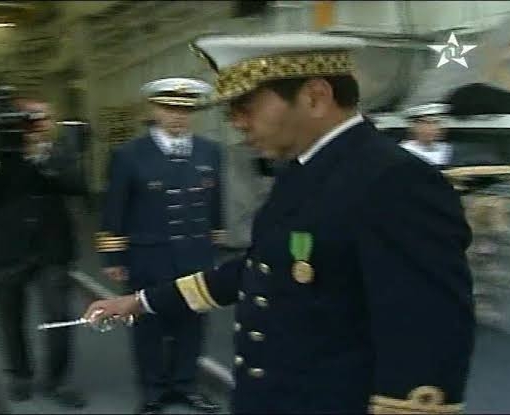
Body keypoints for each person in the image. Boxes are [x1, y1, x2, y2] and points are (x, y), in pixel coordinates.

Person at [85, 33, 476, 414]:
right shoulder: (304, 169)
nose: (236, 122)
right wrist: (141, 301)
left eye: (245, 106)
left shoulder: (396, 181)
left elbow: (428, 336)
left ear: (315, 97)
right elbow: (263, 268)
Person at [96, 77, 224, 414]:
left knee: (192, 323)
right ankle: (152, 390)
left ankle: (186, 385)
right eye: (169, 108)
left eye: (185, 109)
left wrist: (214, 249)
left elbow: (215, 205)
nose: (178, 115)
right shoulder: (129, 155)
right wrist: (113, 255)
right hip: (149, 254)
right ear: (154, 109)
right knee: (148, 325)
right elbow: (114, 208)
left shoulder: (210, 151)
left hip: (195, 253)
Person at [0, 96, 87, 407]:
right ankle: (20, 375)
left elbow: (78, 185)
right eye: (29, 119)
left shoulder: (59, 151)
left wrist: (42, 156)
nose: (36, 125)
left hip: (52, 249)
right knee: (10, 318)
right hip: (4, 249)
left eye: (42, 118)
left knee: (59, 317)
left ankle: (57, 381)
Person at [399, 103, 453, 167]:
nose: (433, 128)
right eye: (427, 123)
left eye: (436, 122)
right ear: (413, 126)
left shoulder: (447, 149)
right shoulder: (403, 151)